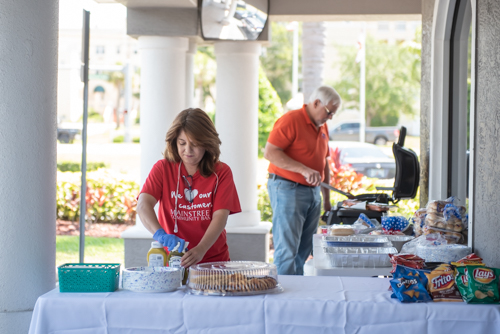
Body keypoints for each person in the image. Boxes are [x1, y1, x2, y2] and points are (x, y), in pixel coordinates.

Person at [137, 108, 242, 268]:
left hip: (213, 262)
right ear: (174, 142)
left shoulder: (221, 172)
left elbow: (220, 217)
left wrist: (200, 249)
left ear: (207, 143)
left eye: (195, 144)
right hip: (172, 261)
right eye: (182, 143)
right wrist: (161, 235)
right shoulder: (162, 168)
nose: (187, 150)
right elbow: (143, 205)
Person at [264, 85, 341, 275]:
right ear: (316, 103)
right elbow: (270, 152)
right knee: (287, 251)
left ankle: (296, 296)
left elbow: (323, 161)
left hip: (313, 193)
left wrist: (327, 199)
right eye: (329, 112)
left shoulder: (323, 127)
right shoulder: (290, 120)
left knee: (304, 251)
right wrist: (303, 169)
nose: (330, 117)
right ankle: (282, 299)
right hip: (287, 189)